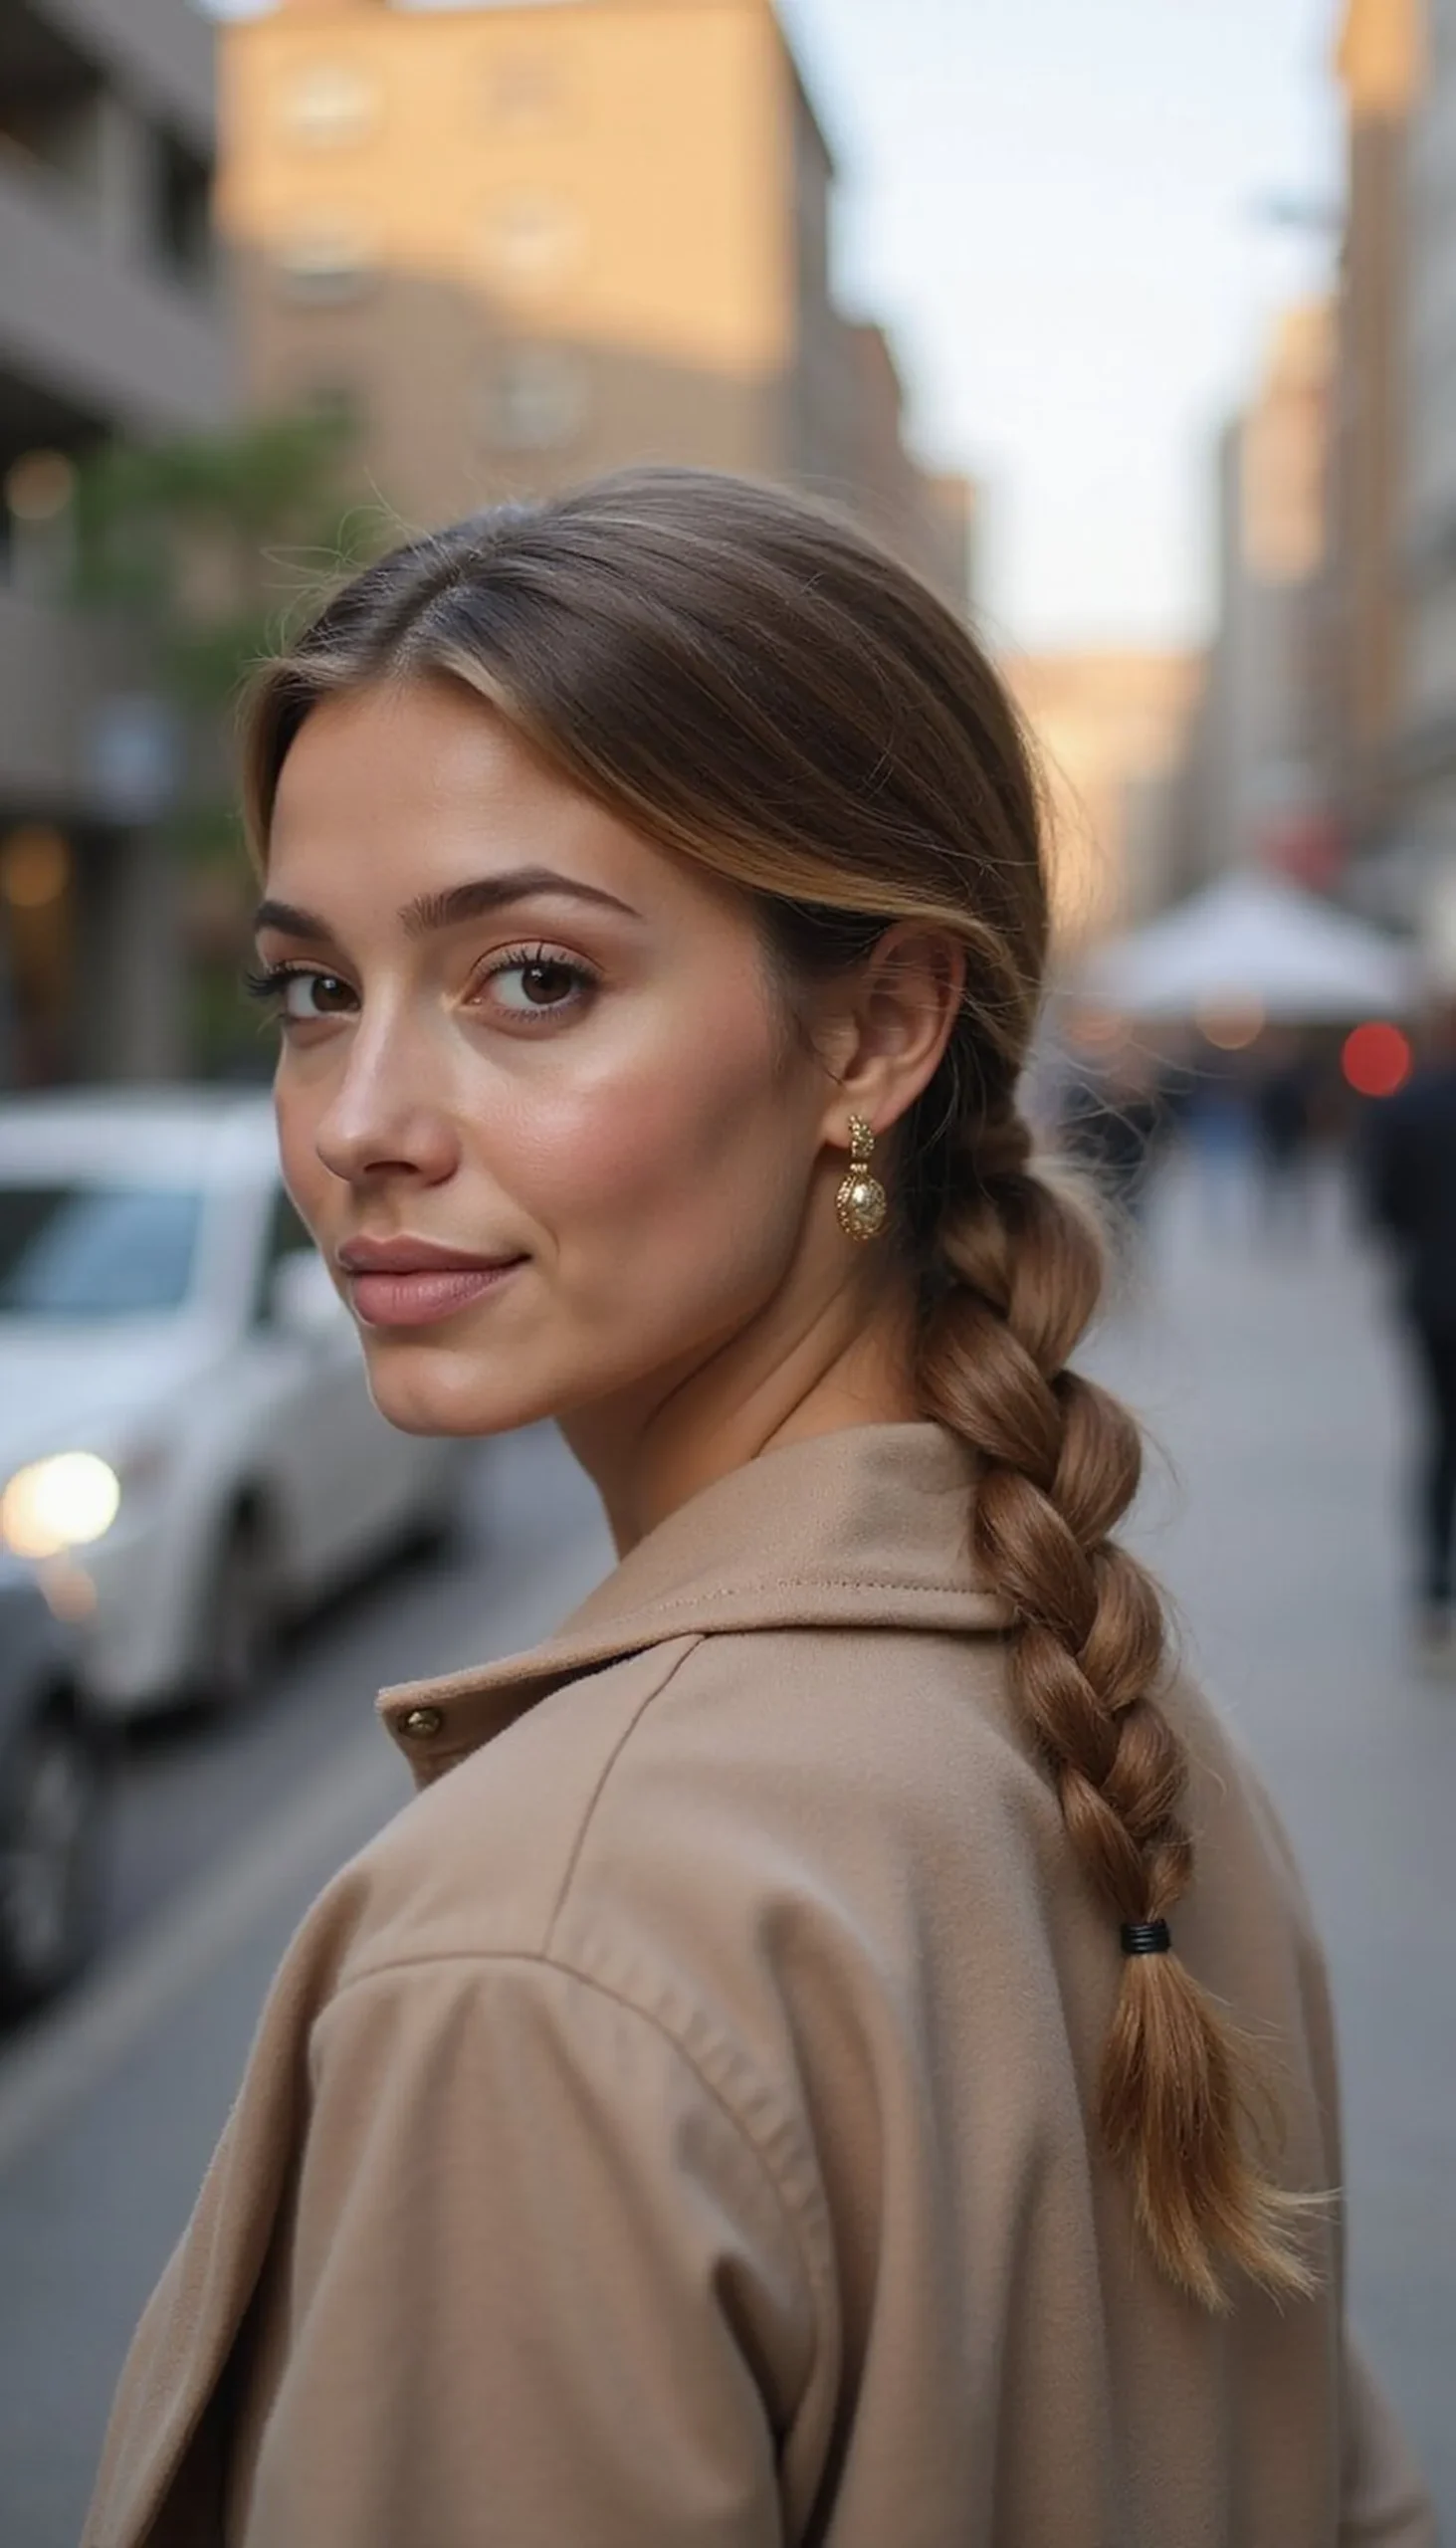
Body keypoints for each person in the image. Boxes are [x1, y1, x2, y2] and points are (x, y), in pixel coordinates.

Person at [87, 472, 1434, 2547]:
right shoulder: (1109, 1706)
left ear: (876, 1031)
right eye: (310, 990)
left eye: (529, 978)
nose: (357, 1121)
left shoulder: (539, 1951)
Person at [1362, 1001, 1456, 1656]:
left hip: (1434, 1294)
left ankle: (1433, 1593)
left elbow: (1380, 1209)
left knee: (1440, 1439)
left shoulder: (1407, 1106)